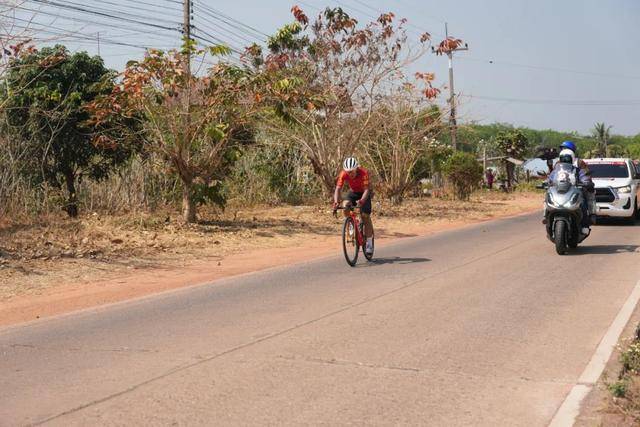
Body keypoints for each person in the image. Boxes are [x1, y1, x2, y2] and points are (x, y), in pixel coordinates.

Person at [333, 157, 374, 255]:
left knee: (365, 216)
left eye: (351, 171)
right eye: (348, 172)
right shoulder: (343, 174)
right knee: (345, 205)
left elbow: (367, 190)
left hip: (364, 193)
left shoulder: (363, 173)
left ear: (356, 169)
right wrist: (335, 202)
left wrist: (362, 201)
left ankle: (369, 243)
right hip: (353, 192)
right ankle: (351, 223)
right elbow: (338, 189)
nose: (349, 174)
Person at [547, 148, 594, 234]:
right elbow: (550, 178)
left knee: (582, 203)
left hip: (572, 191)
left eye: (567, 158)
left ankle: (584, 225)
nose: (565, 160)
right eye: (563, 158)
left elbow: (584, 177)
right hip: (560, 192)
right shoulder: (556, 170)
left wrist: (586, 182)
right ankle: (546, 217)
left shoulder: (577, 170)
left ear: (572, 158)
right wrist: (546, 183)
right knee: (547, 199)